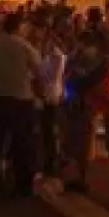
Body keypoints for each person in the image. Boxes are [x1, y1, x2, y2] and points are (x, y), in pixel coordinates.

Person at [0, 11, 43, 196]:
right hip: (21, 99)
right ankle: (23, 184)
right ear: (18, 27)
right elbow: (39, 71)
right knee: (22, 143)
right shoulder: (24, 47)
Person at [62, 28, 109, 193]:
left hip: (77, 101)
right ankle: (81, 176)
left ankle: (77, 177)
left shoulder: (78, 56)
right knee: (84, 139)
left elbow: (69, 77)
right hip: (88, 102)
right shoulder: (101, 59)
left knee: (75, 139)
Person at [38, 26, 67, 177]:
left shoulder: (56, 57)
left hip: (51, 96)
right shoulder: (51, 56)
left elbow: (46, 75)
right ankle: (52, 159)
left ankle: (53, 160)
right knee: (48, 130)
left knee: (49, 130)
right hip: (50, 94)